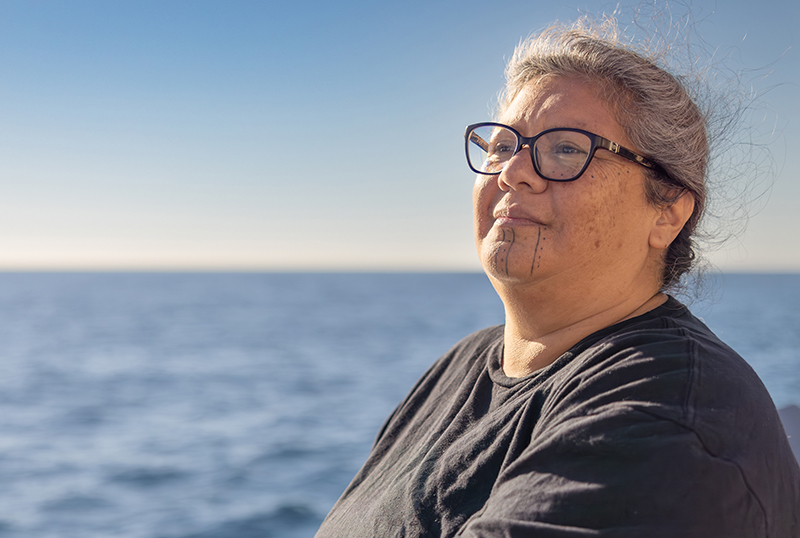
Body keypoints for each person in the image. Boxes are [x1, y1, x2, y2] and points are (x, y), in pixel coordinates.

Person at [315, 17, 800, 538]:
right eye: (502, 146)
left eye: (566, 148)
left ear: (668, 213)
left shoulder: (669, 413)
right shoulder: (461, 366)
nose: (511, 172)